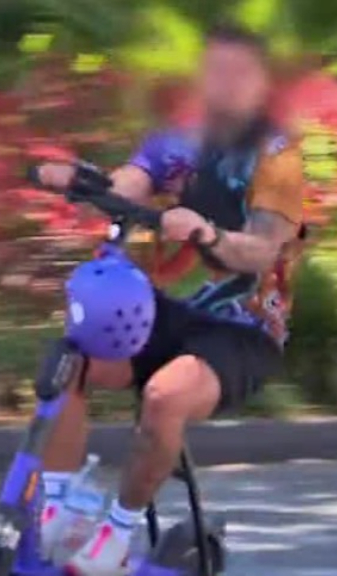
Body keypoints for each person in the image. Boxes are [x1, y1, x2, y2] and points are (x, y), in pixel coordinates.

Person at [32, 22, 306, 575]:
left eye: (239, 74)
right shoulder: (174, 140)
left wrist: (207, 234)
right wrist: (81, 181)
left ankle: (116, 532)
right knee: (72, 362)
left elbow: (259, 250)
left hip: (243, 329)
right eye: (215, 72)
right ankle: (56, 512)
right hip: (165, 312)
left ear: (261, 86)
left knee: (164, 396)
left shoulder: (277, 155)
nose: (224, 85)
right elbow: (126, 186)